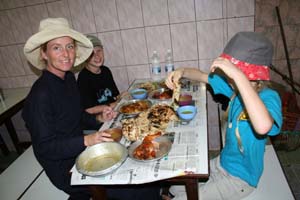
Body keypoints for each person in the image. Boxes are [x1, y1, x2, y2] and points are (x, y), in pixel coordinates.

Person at [22, 18, 160, 200]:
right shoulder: (40, 96)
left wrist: (99, 119)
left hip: (83, 151)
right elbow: (46, 148)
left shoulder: (68, 79)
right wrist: (87, 140)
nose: (66, 54)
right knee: (138, 190)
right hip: (64, 168)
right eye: (56, 47)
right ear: (44, 54)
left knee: (141, 167)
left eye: (70, 46)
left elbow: (77, 115)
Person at [164, 32, 282, 200]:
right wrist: (181, 71)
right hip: (222, 164)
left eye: (232, 75)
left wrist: (239, 77)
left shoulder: (269, 97)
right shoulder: (233, 89)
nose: (227, 79)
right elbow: (200, 75)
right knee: (175, 187)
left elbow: (263, 126)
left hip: (240, 179)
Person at [77, 35, 122, 114]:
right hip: (99, 121)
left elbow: (115, 96)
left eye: (99, 50)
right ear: (85, 57)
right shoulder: (83, 78)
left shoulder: (105, 71)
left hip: (112, 113)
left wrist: (122, 97)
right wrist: (116, 104)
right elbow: (89, 110)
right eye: (91, 53)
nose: (97, 56)